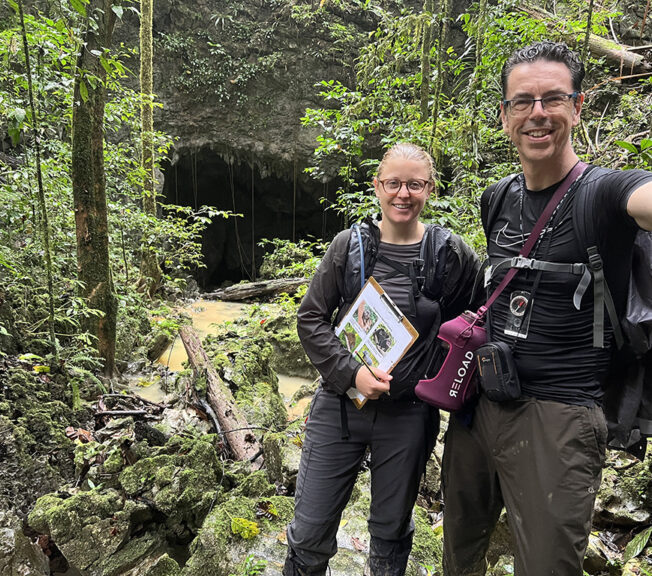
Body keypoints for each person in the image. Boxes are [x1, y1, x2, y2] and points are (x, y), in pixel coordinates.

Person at [441, 41, 652, 576]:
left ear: (578, 108)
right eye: (523, 101)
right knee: (460, 556)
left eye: (553, 99)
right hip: (479, 407)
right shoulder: (497, 197)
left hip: (560, 419)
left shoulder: (604, 193)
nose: (537, 113)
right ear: (506, 115)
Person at [284, 142, 480, 576]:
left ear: (429, 188)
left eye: (414, 184)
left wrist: (447, 387)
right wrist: (352, 373)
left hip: (409, 414)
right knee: (311, 530)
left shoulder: (450, 254)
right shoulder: (348, 247)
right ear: (377, 186)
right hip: (339, 407)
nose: (402, 194)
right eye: (393, 183)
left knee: (390, 530)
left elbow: (473, 326)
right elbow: (311, 318)